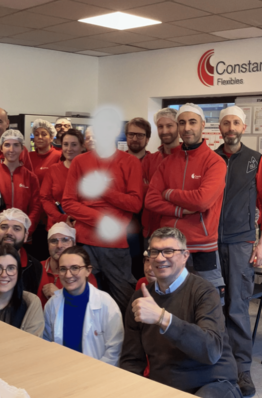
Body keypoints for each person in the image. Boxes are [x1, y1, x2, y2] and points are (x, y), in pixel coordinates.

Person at [121, 228, 244, 398]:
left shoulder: (204, 291)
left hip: (215, 384)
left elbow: (210, 350)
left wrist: (163, 318)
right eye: (154, 251)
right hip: (170, 390)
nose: (160, 258)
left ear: (185, 255)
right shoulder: (140, 299)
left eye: (169, 251)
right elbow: (132, 360)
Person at [213, 105, 262, 398]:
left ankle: (242, 370)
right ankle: (215, 364)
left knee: (237, 308)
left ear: (243, 127)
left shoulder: (255, 160)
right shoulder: (210, 159)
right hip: (210, 243)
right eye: (226, 123)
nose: (231, 128)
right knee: (212, 307)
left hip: (241, 243)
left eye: (236, 123)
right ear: (220, 128)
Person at [62, 119, 143, 309]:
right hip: (86, 242)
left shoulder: (130, 162)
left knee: (124, 299)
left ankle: (125, 330)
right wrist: (101, 220)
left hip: (115, 243)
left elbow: (135, 204)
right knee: (86, 300)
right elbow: (68, 202)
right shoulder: (80, 162)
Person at [145, 104, 226, 290]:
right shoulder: (167, 163)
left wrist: (169, 193)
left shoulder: (215, 162)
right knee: (170, 300)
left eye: (192, 122)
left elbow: (202, 201)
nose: (187, 128)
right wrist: (179, 210)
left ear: (202, 125)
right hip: (169, 247)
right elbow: (151, 200)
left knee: (207, 302)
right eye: (182, 123)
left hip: (201, 247)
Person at [42, 247, 122, 365]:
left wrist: (92, 373)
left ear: (88, 271)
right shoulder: (52, 305)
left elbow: (114, 351)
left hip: (99, 372)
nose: (68, 275)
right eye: (63, 269)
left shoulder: (107, 304)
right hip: (61, 369)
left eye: (75, 268)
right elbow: (46, 344)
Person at [0, 129, 41, 238]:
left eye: (16, 145)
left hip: (21, 236)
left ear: (22, 148)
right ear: (1, 148)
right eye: (7, 145)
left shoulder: (31, 178)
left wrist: (25, 230)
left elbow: (36, 208)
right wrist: (0, 230)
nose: (11, 150)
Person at [142, 108, 181, 237]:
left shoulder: (187, 159)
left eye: (169, 126)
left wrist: (154, 191)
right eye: (160, 126)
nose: (164, 131)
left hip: (177, 231)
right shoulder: (150, 160)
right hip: (151, 230)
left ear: (179, 127)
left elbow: (184, 197)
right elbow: (142, 193)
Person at [38, 129, 83, 236]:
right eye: (66, 144)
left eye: (74, 144)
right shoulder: (53, 170)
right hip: (57, 228)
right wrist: (62, 217)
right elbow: (45, 198)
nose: (69, 148)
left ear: (82, 147)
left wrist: (80, 219)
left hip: (82, 228)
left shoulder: (89, 171)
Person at [38, 222, 94, 305]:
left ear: (74, 244)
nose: (59, 246)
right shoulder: (36, 268)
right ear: (48, 245)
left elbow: (90, 308)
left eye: (65, 240)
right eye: (53, 241)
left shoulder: (83, 273)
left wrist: (60, 296)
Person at [125, 116, 154, 277]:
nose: (135, 138)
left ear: (147, 138)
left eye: (140, 135)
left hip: (149, 226)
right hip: (124, 226)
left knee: (144, 270)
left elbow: (156, 193)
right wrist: (145, 187)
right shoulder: (116, 161)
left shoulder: (155, 162)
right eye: (131, 134)